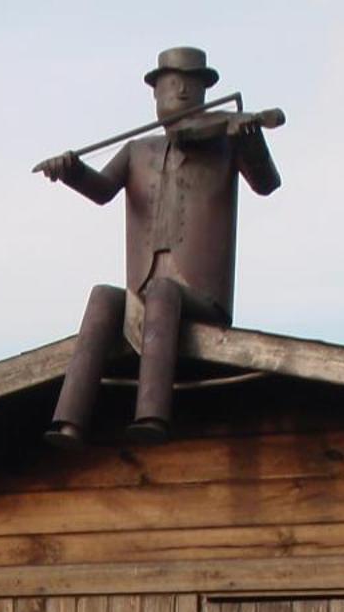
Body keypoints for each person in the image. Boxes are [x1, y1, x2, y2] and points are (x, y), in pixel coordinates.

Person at [39, 46, 281, 443]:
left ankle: (151, 416)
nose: (181, 92)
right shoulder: (138, 151)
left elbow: (267, 183)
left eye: (190, 85)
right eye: (171, 84)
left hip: (200, 296)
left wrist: (250, 140)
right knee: (104, 297)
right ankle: (68, 421)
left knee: (164, 294)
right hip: (146, 292)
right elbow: (101, 190)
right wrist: (70, 171)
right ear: (156, 94)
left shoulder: (224, 142)